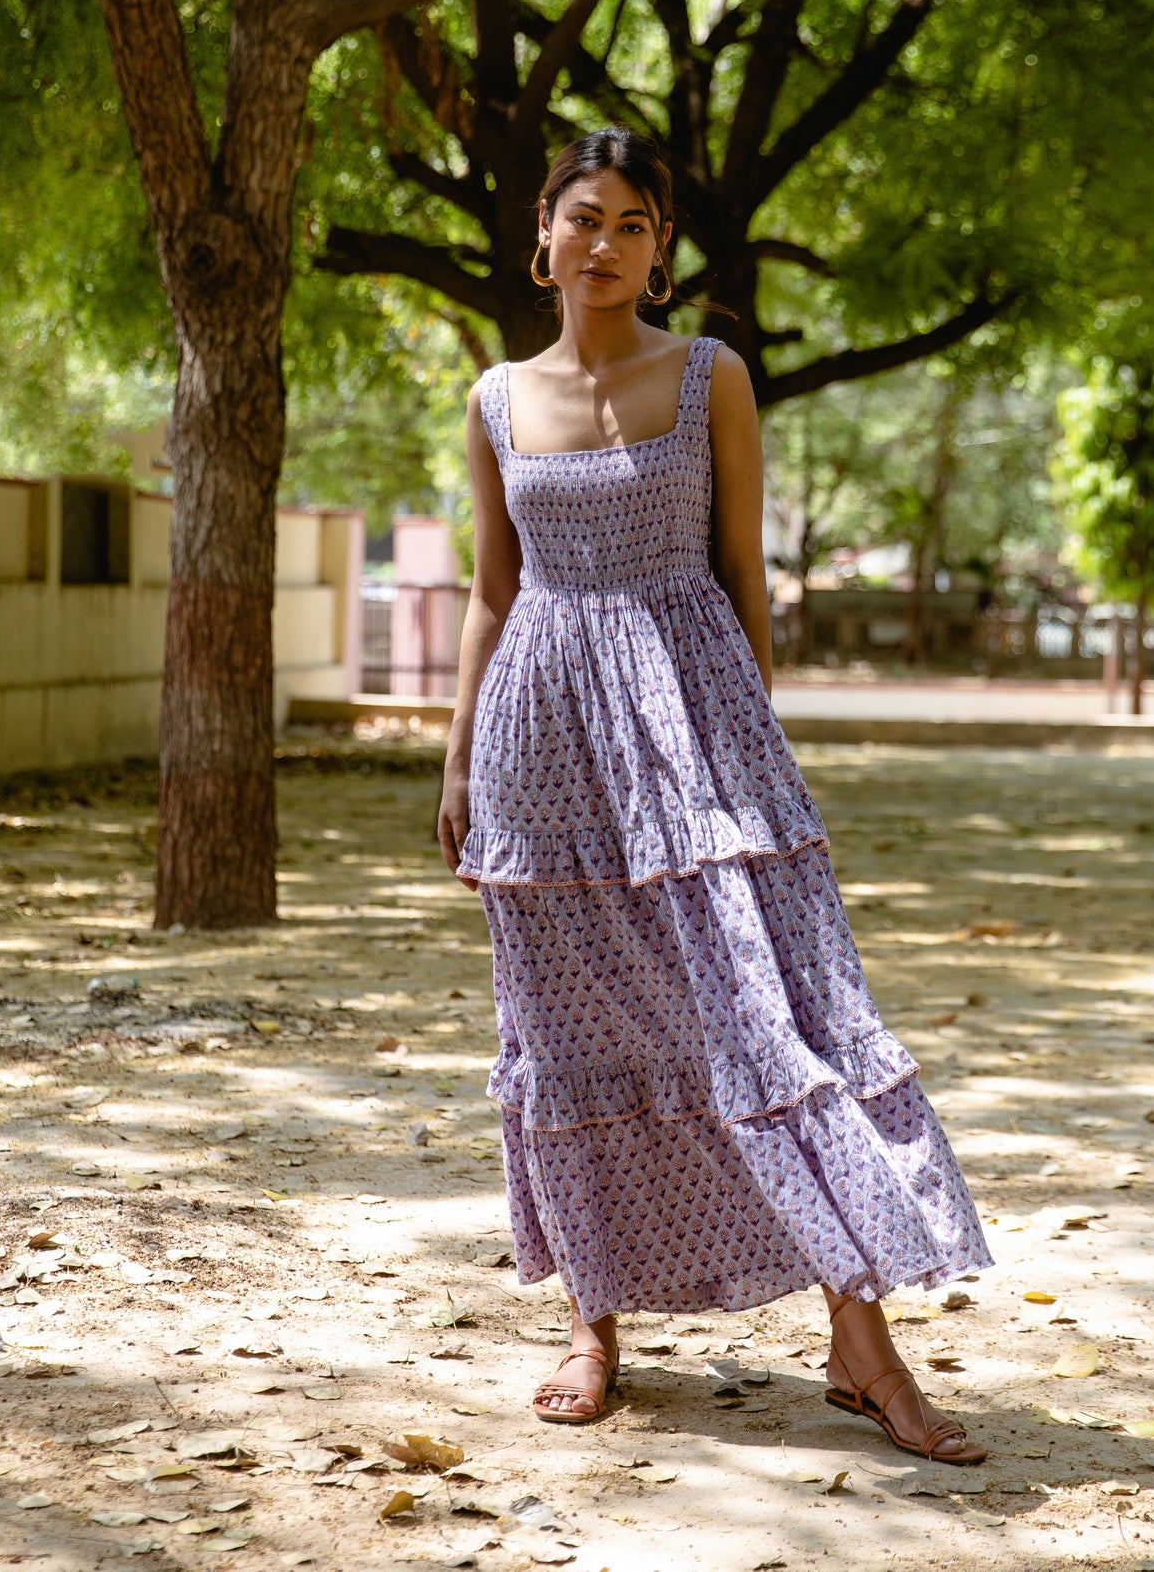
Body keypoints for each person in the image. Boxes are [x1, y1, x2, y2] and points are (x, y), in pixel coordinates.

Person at [437, 128, 991, 1463]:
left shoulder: (709, 377)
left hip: (698, 731)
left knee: (770, 1013)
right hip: (543, 735)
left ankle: (860, 1345)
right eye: (586, 217)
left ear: (660, 251)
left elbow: (740, 574)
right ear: (542, 237)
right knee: (567, 1033)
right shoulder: (494, 399)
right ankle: (593, 1325)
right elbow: (491, 589)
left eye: (635, 222)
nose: (608, 242)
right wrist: (456, 757)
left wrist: (753, 748)